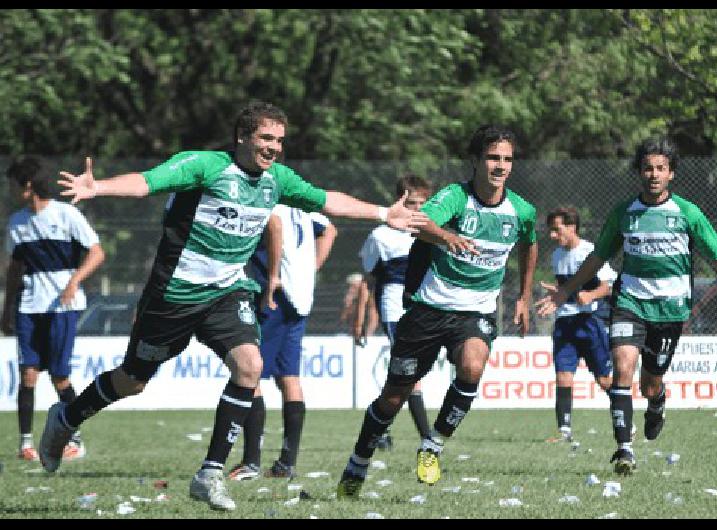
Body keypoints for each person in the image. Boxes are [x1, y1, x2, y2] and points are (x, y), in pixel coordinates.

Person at [39, 100, 427, 511]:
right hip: (174, 296)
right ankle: (66, 418)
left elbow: (328, 200)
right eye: (266, 138)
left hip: (227, 293)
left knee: (250, 366)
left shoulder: (277, 179)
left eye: (279, 140)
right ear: (242, 136)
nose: (274, 147)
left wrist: (385, 213)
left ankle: (209, 473)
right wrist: (98, 187)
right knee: (134, 380)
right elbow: (147, 181)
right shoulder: (205, 166)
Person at [535, 136, 717, 476]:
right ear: (639, 173)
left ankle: (656, 402)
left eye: (661, 168)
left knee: (649, 384)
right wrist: (565, 290)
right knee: (622, 367)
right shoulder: (624, 214)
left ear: (671, 173)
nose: (653, 174)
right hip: (630, 303)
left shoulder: (687, 213)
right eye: (647, 168)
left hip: (670, 312)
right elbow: (597, 257)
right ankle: (624, 449)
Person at [336, 124, 538, 498]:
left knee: (473, 367)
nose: (501, 165)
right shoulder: (454, 198)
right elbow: (418, 222)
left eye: (507, 159)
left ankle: (432, 446)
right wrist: (447, 236)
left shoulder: (521, 210)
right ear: (476, 160)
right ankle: (358, 462)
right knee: (393, 397)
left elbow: (529, 245)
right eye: (493, 157)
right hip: (429, 308)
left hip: (475, 311)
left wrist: (524, 296)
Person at [2, 157, 105, 464]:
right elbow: (14, 269)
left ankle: (75, 439)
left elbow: (97, 253)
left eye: (13, 183)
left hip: (62, 305)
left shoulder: (66, 214)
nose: (9, 189)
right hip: (29, 307)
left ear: (27, 186)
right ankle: (25, 443)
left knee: (60, 376)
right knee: (28, 374)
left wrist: (74, 280)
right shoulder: (16, 223)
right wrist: (6, 308)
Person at [227, 204, 336, 481]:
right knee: (289, 377)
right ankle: (286, 463)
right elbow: (330, 230)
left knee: (249, 373)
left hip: (273, 296)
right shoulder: (303, 208)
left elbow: (273, 225)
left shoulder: (268, 200)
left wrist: (274, 275)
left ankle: (251, 462)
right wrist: (307, 271)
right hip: (298, 298)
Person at [351, 174, 434, 451]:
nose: (418, 209)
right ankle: (427, 438)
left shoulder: (431, 231)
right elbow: (368, 281)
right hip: (396, 308)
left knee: (402, 376)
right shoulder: (381, 236)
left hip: (427, 307)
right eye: (412, 203)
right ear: (399, 201)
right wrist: (360, 321)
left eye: (423, 203)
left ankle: (378, 429)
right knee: (410, 374)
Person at [540, 206, 615, 443]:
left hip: (590, 322)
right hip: (565, 322)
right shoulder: (556, 256)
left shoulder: (591, 252)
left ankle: (625, 417)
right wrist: (559, 292)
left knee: (604, 380)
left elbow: (608, 285)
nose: (552, 236)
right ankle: (564, 431)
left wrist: (590, 296)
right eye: (550, 231)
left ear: (572, 227)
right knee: (563, 376)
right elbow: (567, 290)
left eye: (557, 230)